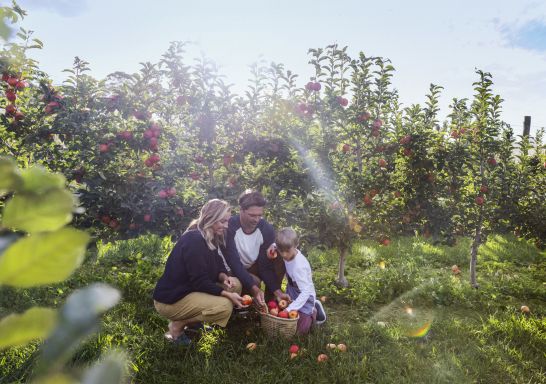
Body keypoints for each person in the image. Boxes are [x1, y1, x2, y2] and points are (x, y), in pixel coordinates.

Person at [153, 199, 245, 346]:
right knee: (224, 306)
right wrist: (227, 294)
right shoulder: (194, 240)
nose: (226, 226)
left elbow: (218, 263)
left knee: (235, 285)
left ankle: (194, 324)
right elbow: (200, 281)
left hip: (190, 291)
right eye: (222, 221)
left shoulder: (209, 235)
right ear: (210, 218)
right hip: (172, 299)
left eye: (227, 221)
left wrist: (224, 277)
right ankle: (177, 326)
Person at [223, 190, 290, 305]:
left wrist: (277, 291)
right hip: (231, 269)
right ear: (241, 211)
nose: (256, 219)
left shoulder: (266, 229)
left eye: (260, 215)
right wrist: (254, 288)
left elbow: (265, 266)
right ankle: (245, 302)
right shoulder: (229, 227)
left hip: (253, 266)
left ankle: (271, 300)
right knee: (255, 282)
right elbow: (234, 263)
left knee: (279, 255)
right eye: (252, 215)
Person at [275, 227, 326, 335]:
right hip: (292, 289)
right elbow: (277, 245)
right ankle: (308, 309)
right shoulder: (286, 249)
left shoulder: (299, 267)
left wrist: (289, 309)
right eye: (281, 251)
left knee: (300, 332)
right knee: (288, 323)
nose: (284, 255)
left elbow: (305, 292)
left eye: (287, 251)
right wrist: (272, 247)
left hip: (305, 295)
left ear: (296, 245)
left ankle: (314, 311)